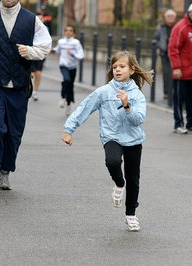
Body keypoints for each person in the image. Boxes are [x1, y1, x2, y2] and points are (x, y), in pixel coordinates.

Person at [61, 51, 153, 232]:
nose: (117, 70)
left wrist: (127, 105)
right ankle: (119, 183)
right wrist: (68, 130)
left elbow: (138, 120)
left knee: (133, 179)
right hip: (111, 136)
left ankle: (131, 215)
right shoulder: (103, 92)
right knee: (112, 162)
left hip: (133, 139)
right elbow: (84, 108)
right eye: (115, 67)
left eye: (122, 66)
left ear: (132, 70)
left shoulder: (137, 95)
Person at [0, 0, 52, 191]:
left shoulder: (32, 20)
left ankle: (5, 172)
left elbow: (45, 46)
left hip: (20, 83)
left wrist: (30, 51)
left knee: (14, 131)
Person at [168, 2, 192, 135]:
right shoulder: (181, 28)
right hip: (182, 72)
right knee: (179, 99)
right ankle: (178, 124)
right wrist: (177, 67)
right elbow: (173, 49)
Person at [53, 25, 84, 116]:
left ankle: (69, 104)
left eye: (70, 30)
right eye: (66, 30)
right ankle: (63, 97)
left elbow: (81, 55)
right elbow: (57, 50)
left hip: (73, 67)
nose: (68, 32)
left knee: (70, 86)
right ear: (64, 32)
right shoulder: (61, 42)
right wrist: (52, 51)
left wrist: (73, 55)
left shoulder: (76, 43)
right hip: (63, 65)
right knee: (66, 79)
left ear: (74, 33)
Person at [153, 9, 176, 104]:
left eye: (172, 16)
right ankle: (167, 92)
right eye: (168, 16)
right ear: (165, 18)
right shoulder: (161, 28)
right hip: (165, 54)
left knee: (174, 73)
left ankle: (174, 91)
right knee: (166, 73)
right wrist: (161, 46)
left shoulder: (177, 27)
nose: (170, 18)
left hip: (174, 53)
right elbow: (155, 40)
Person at [30, 13, 49, 101]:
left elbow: (48, 41)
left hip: (40, 53)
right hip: (30, 52)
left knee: (39, 73)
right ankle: (28, 89)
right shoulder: (29, 28)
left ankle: (35, 91)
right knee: (32, 73)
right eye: (38, 18)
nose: (40, 20)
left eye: (41, 18)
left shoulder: (45, 29)